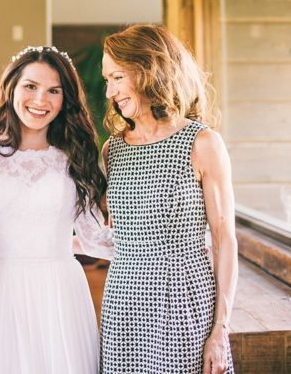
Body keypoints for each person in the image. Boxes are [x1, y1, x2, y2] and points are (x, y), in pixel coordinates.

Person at [0, 45, 113, 374]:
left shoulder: (75, 158)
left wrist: (169, 245)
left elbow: (94, 239)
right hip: (0, 290)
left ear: (65, 99)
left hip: (60, 292)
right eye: (31, 86)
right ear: (11, 88)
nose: (41, 100)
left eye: (54, 90)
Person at [99, 24, 237, 374]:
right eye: (106, 80)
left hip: (185, 301)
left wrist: (220, 328)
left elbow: (225, 240)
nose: (110, 91)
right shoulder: (112, 150)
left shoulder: (202, 143)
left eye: (117, 77)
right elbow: (115, 232)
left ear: (149, 70)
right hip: (123, 303)